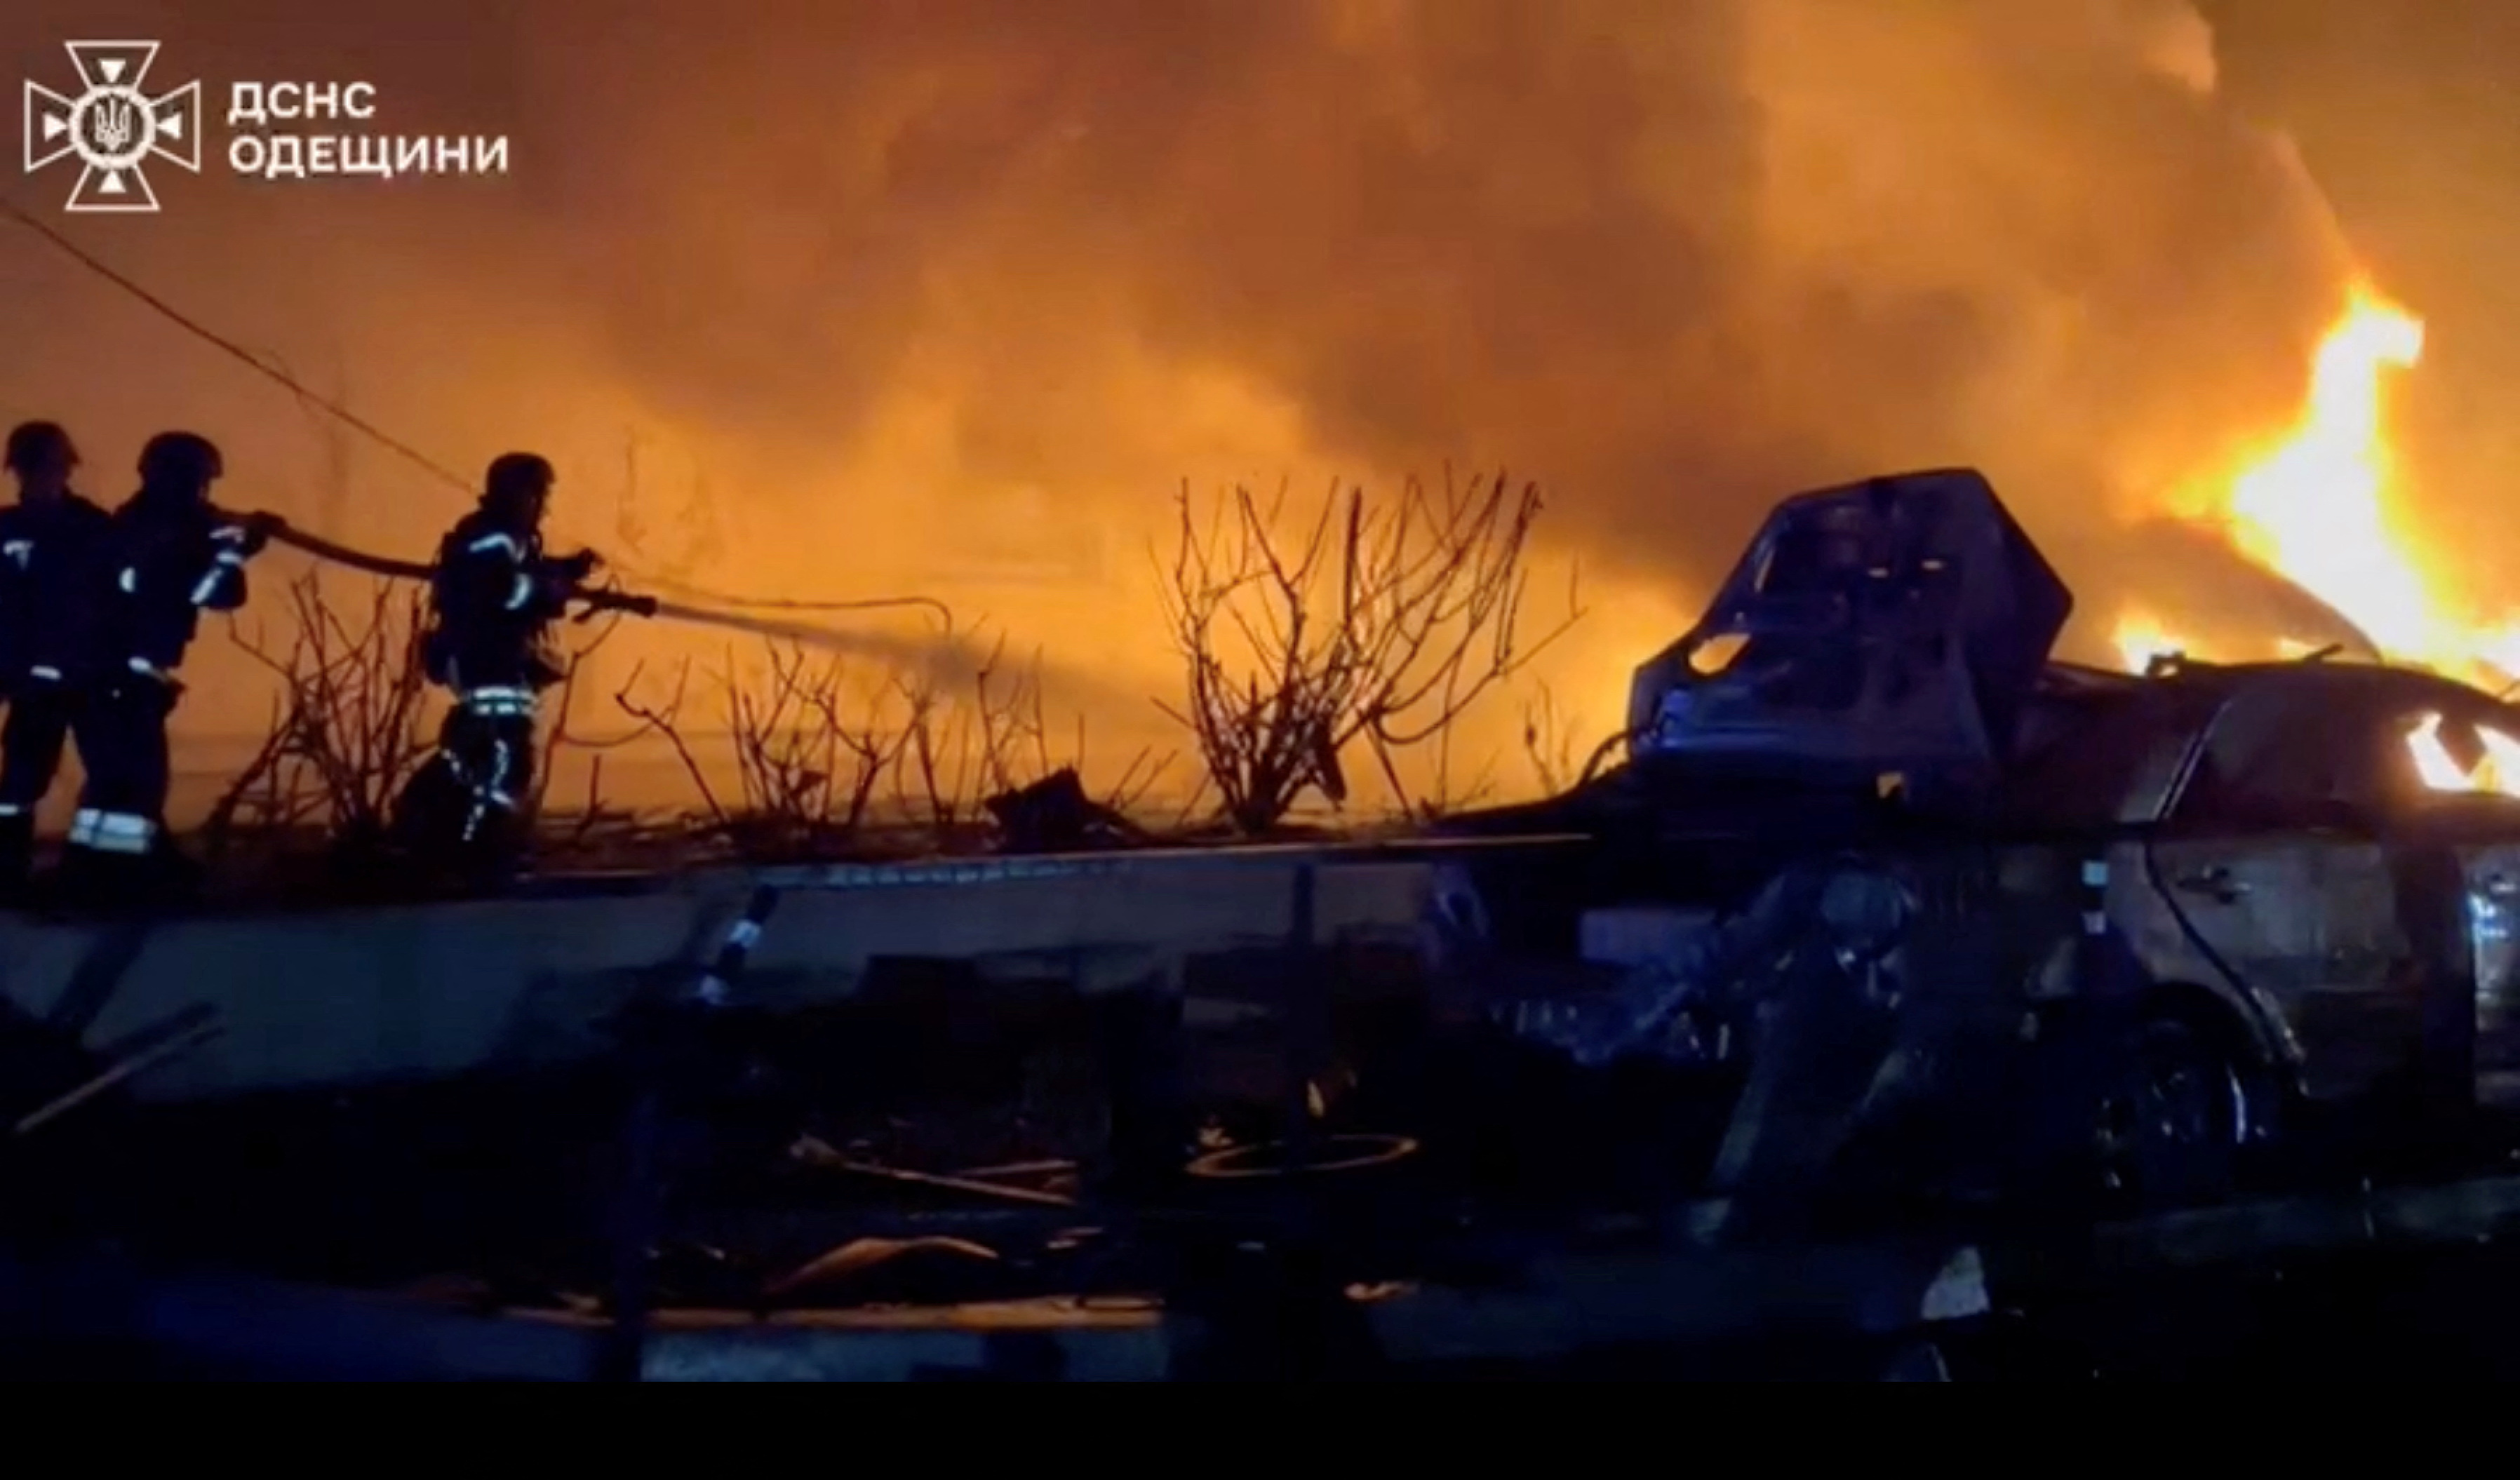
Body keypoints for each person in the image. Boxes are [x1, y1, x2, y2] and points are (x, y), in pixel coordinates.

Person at [62, 431, 271, 893]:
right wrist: (234, 552)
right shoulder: (147, 535)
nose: (204, 495)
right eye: (200, 484)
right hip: (118, 677)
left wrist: (230, 544)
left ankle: (100, 866)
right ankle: (117, 876)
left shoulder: (148, 528)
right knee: (134, 781)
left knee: (119, 782)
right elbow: (208, 593)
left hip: (115, 677)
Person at [393, 452, 597, 875]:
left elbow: (526, 573)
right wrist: (550, 588)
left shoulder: (506, 536)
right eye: (537, 493)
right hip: (488, 662)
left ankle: (440, 829)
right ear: (514, 492)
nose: (542, 504)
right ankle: (475, 845)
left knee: (481, 751)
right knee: (504, 758)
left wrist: (568, 570)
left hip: (497, 664)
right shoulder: (490, 537)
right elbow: (505, 591)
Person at [0, 422, 115, 891]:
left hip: (88, 677)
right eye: (35, 468)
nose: (45, 476)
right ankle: (7, 869)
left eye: (50, 467)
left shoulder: (93, 528)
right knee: (20, 786)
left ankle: (95, 869)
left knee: (110, 775)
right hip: (32, 684)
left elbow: (118, 598)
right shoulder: (5, 529)